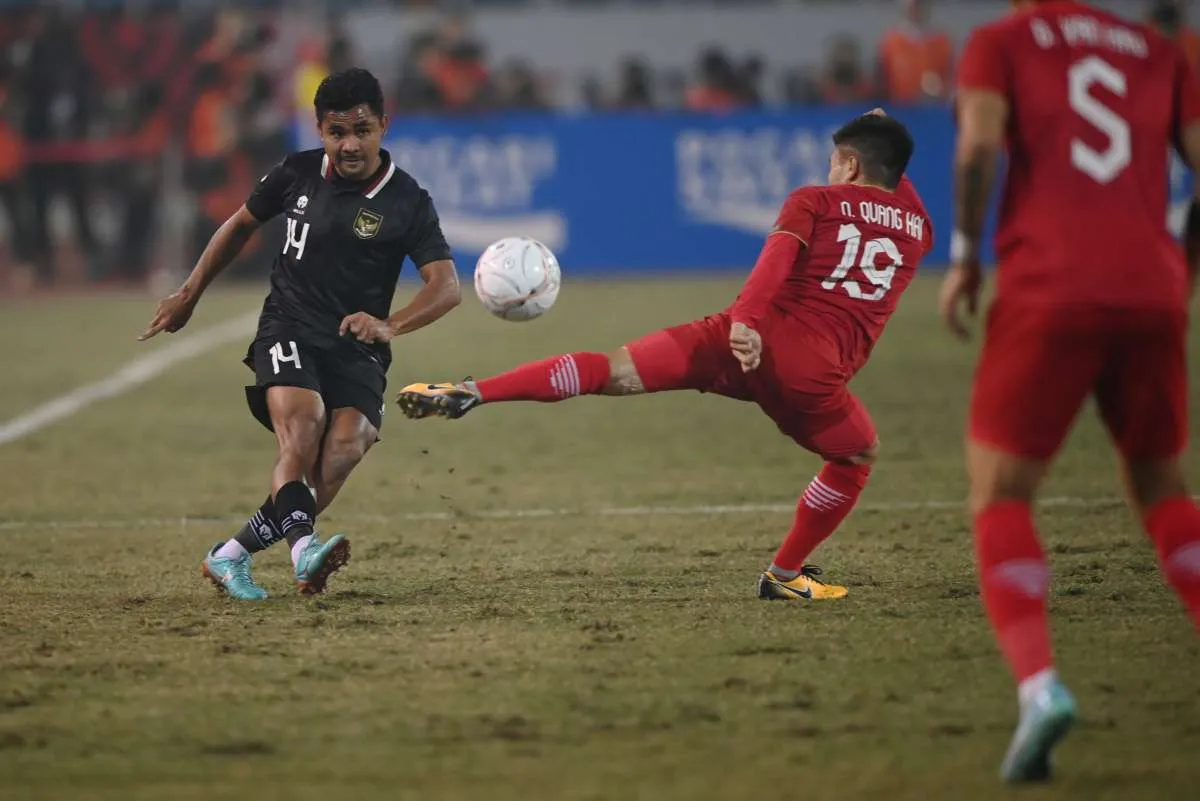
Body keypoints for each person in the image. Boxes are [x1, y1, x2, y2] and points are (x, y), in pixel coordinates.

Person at [398, 110, 932, 602]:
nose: (828, 168)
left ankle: (475, 391)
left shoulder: (814, 200)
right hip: (810, 377)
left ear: (852, 163)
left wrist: (745, 321)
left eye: (836, 160)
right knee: (856, 454)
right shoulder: (920, 229)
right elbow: (891, 185)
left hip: (737, 336)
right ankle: (785, 574)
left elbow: (775, 261)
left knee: (609, 371)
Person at [945, 0, 1200, 783]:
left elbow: (979, 148)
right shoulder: (1162, 51)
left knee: (1002, 491)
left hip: (1049, 284)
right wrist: (1180, 266)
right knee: (1161, 483)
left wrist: (966, 255)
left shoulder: (1000, 42)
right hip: (1152, 287)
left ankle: (1039, 686)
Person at [139, 68, 461, 600]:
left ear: (384, 124)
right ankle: (303, 550)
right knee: (304, 425)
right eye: (337, 132)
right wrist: (189, 294)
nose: (350, 144)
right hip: (288, 325)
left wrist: (390, 325)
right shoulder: (296, 174)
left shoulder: (407, 200)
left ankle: (230, 554)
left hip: (359, 345)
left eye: (361, 130)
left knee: (343, 450)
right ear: (319, 130)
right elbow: (239, 224)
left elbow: (446, 286)